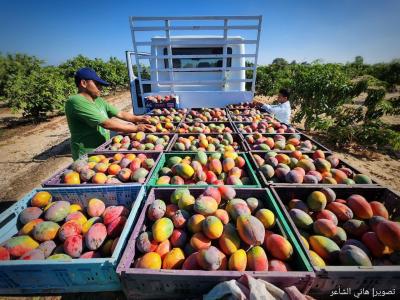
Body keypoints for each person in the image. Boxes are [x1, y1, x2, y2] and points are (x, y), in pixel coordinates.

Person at [65, 67, 156, 160]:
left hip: (101, 147)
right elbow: (106, 123)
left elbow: (120, 114)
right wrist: (136, 128)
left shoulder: (98, 100)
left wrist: (139, 119)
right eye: (97, 84)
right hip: (87, 152)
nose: (100, 88)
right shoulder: (76, 101)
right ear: (83, 83)